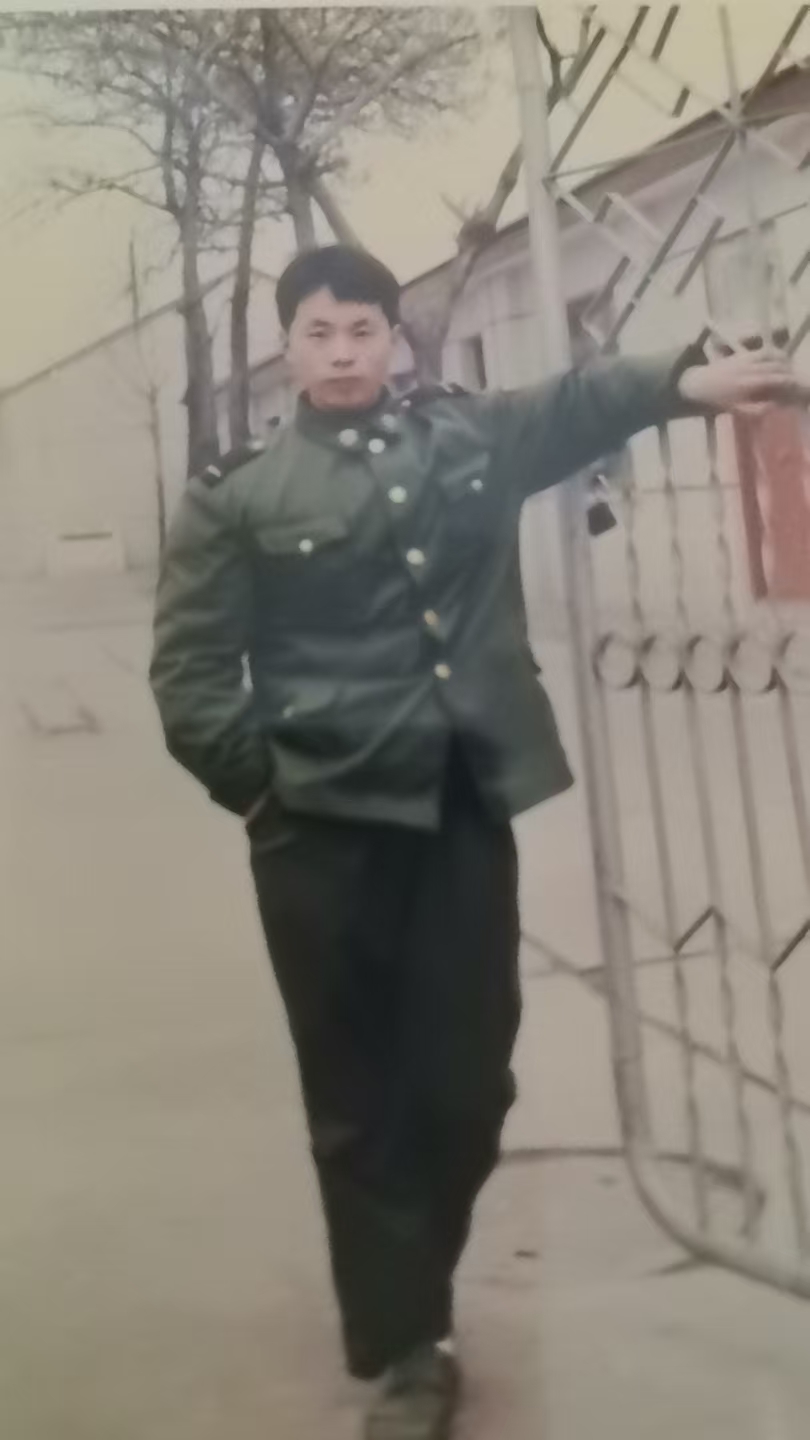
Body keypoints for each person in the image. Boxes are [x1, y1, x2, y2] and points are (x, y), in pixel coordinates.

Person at [149, 244, 808, 1440]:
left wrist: (686, 375)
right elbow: (190, 673)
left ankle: (413, 1274)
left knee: (467, 1081)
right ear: (287, 349)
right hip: (319, 836)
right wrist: (266, 793)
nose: (342, 352)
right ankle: (409, 1344)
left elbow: (578, 401)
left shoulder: (468, 437)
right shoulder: (236, 495)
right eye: (318, 332)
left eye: (362, 329)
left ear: (394, 339)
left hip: (457, 811)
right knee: (356, 1095)